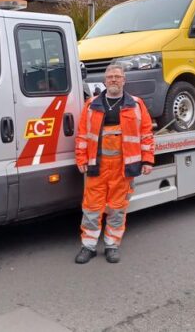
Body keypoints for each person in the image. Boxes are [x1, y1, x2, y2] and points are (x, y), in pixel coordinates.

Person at [74, 63, 155, 264]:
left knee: (117, 208)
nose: (113, 80)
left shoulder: (136, 104)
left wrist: (147, 160)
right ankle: (89, 246)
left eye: (117, 77)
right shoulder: (91, 105)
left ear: (124, 80)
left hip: (123, 167)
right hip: (97, 166)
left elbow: (146, 134)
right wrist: (81, 158)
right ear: (104, 81)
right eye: (110, 76)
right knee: (92, 208)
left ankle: (112, 245)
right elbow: (83, 134)